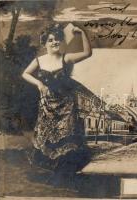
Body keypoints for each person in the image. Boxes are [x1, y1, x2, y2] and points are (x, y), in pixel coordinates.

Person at [22, 23, 92, 176]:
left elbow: (87, 53)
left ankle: (66, 170)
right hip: (47, 105)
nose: (55, 42)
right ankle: (50, 169)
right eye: (51, 40)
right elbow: (25, 74)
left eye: (58, 39)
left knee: (67, 135)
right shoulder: (39, 61)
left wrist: (82, 32)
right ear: (45, 42)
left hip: (66, 105)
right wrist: (39, 83)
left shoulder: (66, 58)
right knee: (46, 134)